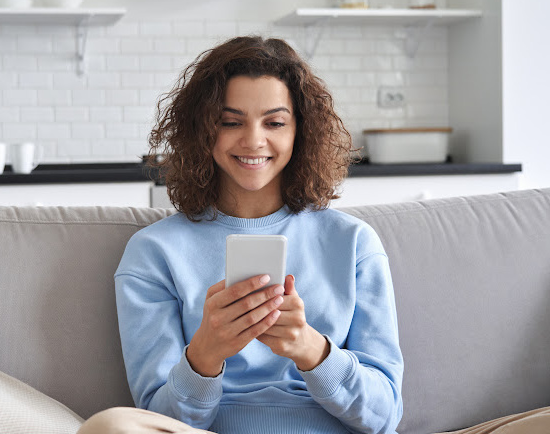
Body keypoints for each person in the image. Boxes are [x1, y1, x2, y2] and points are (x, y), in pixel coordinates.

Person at [81, 36, 404, 433]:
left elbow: (385, 416)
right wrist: (204, 354)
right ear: (202, 131)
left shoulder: (354, 243)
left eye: (275, 122)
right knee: (112, 426)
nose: (253, 140)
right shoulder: (153, 252)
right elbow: (158, 419)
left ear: (300, 132)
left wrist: (310, 349)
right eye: (231, 122)